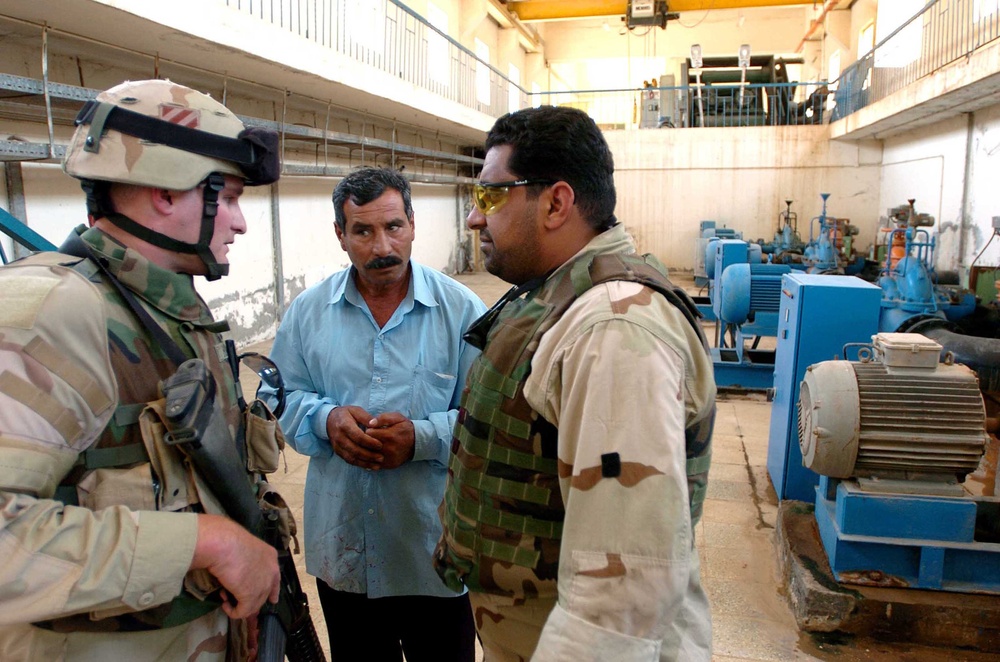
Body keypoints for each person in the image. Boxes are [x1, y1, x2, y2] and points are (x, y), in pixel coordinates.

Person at [0, 79, 284, 660]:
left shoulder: (163, 305)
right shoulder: (57, 311)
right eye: (227, 197)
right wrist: (205, 544)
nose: (240, 222)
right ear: (163, 189)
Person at [434, 106, 716, 661]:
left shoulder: (614, 328)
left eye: (490, 196)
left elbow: (621, 588)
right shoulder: (562, 295)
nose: (473, 217)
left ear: (556, 203)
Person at [261, 167, 485, 661]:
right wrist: (326, 420)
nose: (382, 246)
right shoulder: (307, 313)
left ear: (412, 224)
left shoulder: (463, 313)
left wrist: (421, 439)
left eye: (394, 227)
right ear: (340, 235)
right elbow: (276, 397)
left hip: (435, 555)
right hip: (346, 554)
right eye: (363, 231)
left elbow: (489, 422)